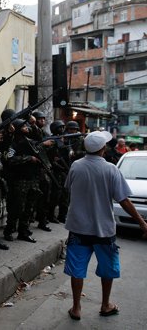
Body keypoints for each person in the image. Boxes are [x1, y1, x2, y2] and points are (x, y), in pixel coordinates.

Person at [63, 131, 147, 321]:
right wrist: (142, 223)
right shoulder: (111, 169)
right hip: (103, 229)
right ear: (102, 149)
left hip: (78, 228)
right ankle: (105, 304)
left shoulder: (76, 166)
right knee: (107, 267)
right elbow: (124, 201)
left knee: (77, 268)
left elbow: (69, 188)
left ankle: (76, 307)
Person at [4, 119, 41, 243]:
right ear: (18, 128)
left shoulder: (30, 142)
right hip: (19, 180)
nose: (27, 127)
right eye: (24, 126)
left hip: (31, 179)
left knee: (29, 208)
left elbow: (39, 138)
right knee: (16, 207)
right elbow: (10, 160)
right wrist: (28, 158)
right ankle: (9, 230)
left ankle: (23, 232)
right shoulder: (13, 143)